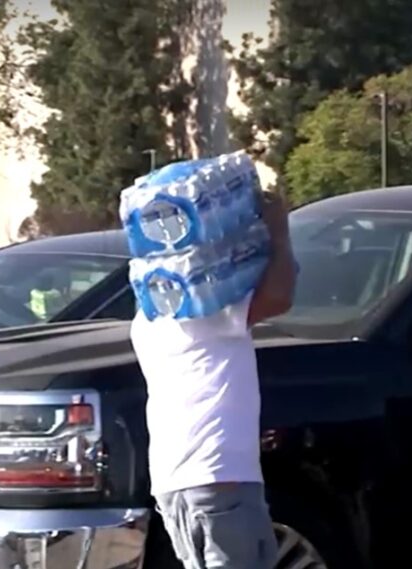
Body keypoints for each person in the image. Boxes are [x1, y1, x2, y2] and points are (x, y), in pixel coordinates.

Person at [129, 190, 297, 569]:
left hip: (177, 481)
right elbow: (281, 294)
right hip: (219, 478)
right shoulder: (207, 308)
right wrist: (279, 233)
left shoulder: (148, 317)